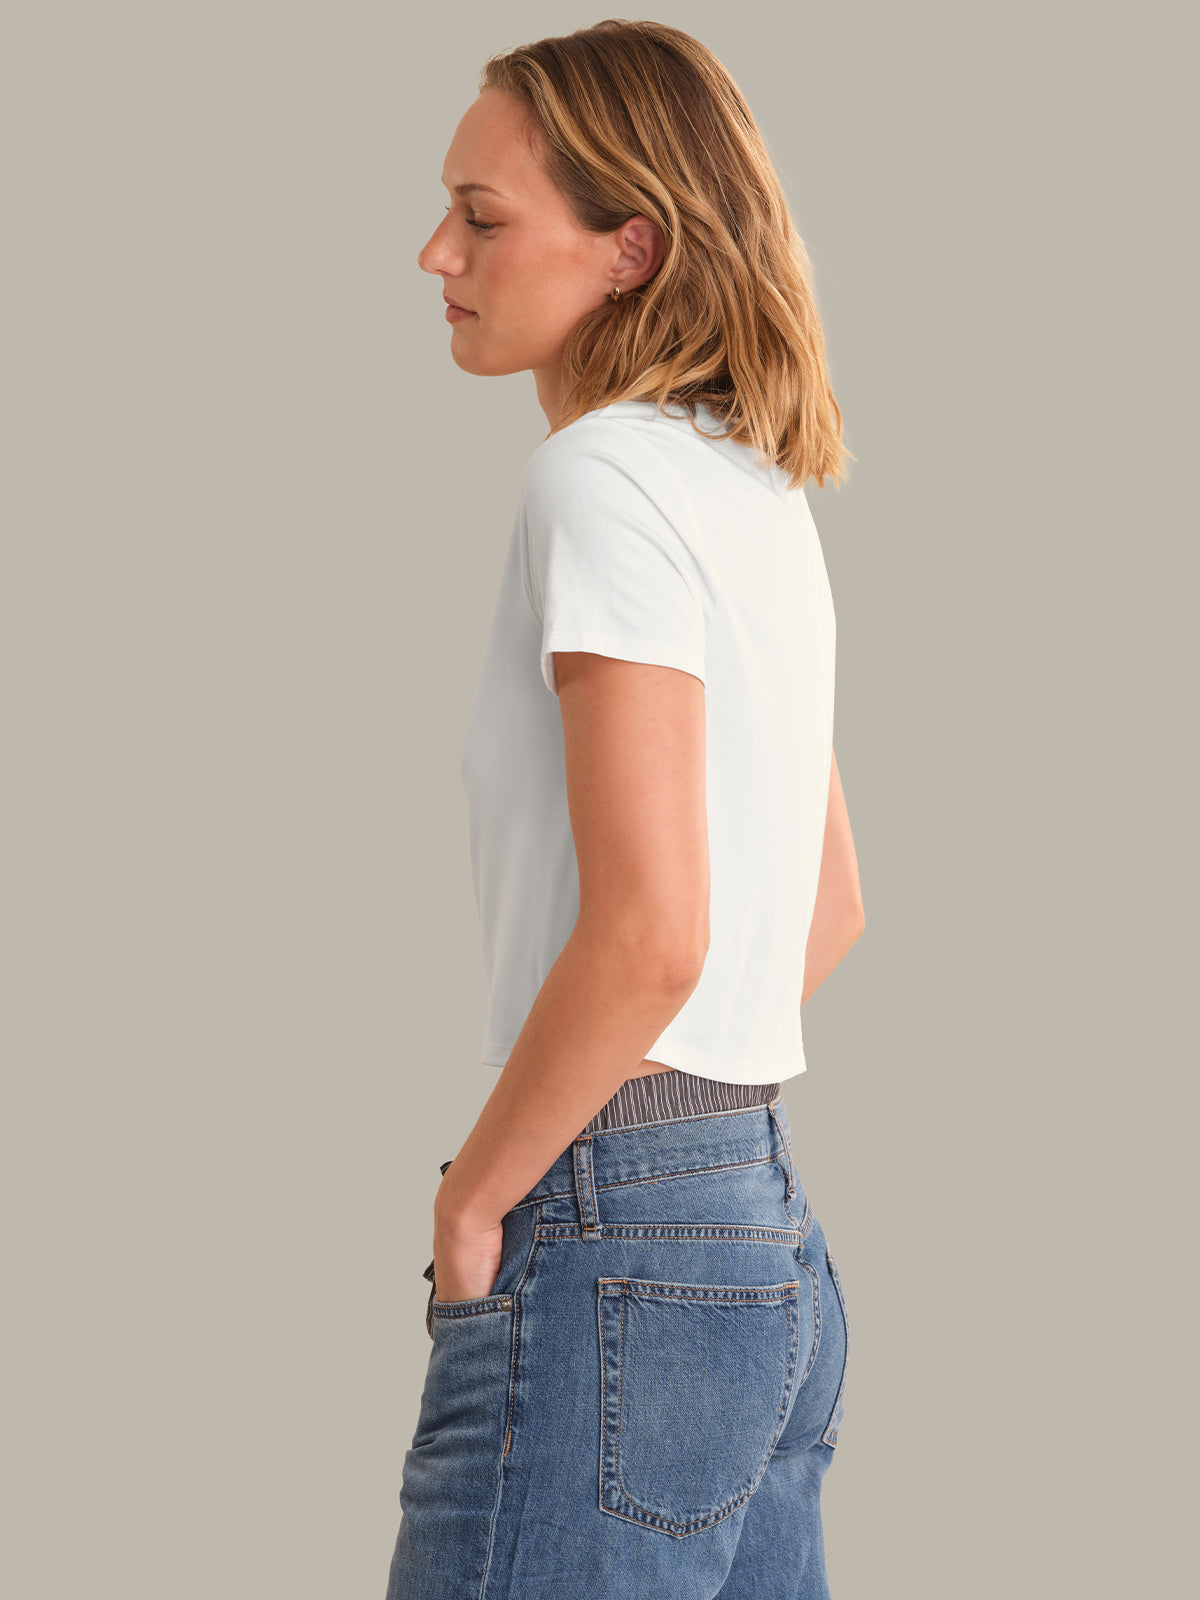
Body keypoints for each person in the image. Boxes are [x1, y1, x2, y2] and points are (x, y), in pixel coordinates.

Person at [385, 19, 865, 1599]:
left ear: (629, 247)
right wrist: (689, 1159)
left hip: (619, 1250)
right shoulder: (753, 489)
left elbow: (659, 928)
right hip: (763, 1233)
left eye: (485, 214)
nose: (434, 251)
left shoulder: (596, 481)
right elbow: (826, 905)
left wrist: (483, 1192)